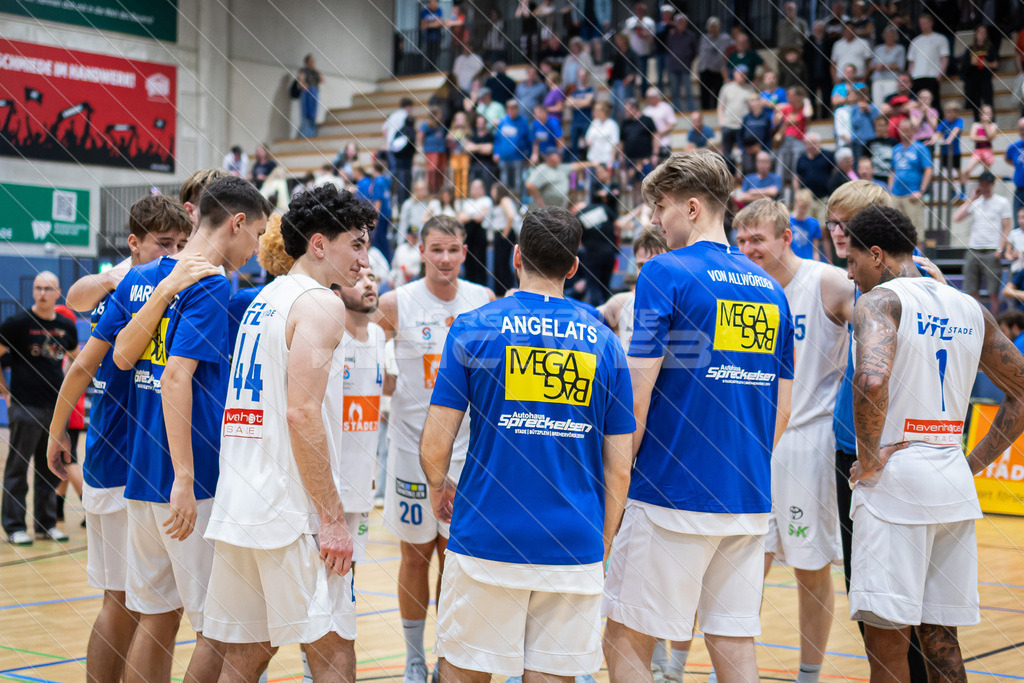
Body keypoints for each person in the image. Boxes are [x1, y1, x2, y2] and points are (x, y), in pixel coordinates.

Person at [602, 150, 794, 683]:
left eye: (660, 208)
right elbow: (783, 403)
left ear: (691, 207)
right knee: (732, 642)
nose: (655, 221)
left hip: (670, 494)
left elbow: (636, 396)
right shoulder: (771, 291)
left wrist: (614, 488)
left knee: (626, 636)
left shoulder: (665, 272)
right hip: (748, 498)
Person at [423, 206, 635, 683]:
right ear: (575, 266)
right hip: (573, 543)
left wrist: (440, 484)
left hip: (486, 536)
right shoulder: (605, 342)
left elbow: (436, 443)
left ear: (516, 257)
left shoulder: (474, 327)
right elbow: (619, 465)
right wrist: (600, 538)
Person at [89, 177, 271, 683]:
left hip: (140, 472)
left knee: (155, 615)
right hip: (189, 476)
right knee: (219, 629)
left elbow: (122, 358)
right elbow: (175, 377)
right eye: (255, 234)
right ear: (235, 223)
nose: (255, 248)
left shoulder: (142, 275)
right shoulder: (211, 282)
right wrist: (186, 477)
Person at [844, 204, 1024, 683]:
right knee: (941, 639)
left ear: (877, 254)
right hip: (952, 482)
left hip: (897, 486)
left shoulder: (879, 302)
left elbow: (872, 380)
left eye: (853, 261)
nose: (850, 273)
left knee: (886, 646)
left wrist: (868, 459)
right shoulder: (970, 307)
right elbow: (1022, 392)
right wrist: (974, 461)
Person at [200, 185, 371, 681]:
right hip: (291, 513)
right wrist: (333, 518)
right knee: (334, 648)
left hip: (242, 505)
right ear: (319, 244)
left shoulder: (262, 299)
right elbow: (301, 413)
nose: (364, 259)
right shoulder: (322, 303)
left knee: (246, 654)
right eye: (355, 244)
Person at [47, 197, 207, 682]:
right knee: (129, 603)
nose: (174, 254)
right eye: (164, 244)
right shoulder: (132, 282)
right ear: (134, 244)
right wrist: (56, 433)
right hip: (121, 461)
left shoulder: (169, 281)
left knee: (148, 605)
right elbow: (75, 309)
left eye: (182, 244)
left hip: (135, 464)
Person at [734, 199, 852, 683]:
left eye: (757, 239)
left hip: (808, 445)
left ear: (787, 237)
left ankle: (808, 673)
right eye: (740, 241)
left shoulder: (825, 281)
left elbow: (884, 314)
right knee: (741, 568)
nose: (747, 249)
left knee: (809, 568)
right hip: (754, 448)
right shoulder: (743, 291)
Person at [374, 217, 494, 683]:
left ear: (465, 252)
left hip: (465, 452)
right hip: (409, 448)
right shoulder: (395, 303)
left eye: (454, 250)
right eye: (437, 250)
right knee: (414, 555)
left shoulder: (482, 300)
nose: (445, 259)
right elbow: (366, 351)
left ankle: (448, 654)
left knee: (454, 557)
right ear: (420, 251)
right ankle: (413, 658)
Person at [0, 272, 78, 545]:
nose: (42, 293)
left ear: (58, 293)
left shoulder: (67, 326)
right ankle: (13, 527)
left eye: (48, 288)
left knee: (50, 466)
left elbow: (76, 361)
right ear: (32, 292)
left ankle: (46, 525)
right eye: (38, 288)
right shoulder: (16, 324)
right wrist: (5, 390)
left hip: (55, 407)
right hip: (25, 405)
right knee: (17, 467)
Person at [953, 171, 1013, 315]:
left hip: (992, 250)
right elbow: (957, 217)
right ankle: (976, 318)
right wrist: (972, 198)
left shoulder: (1002, 202)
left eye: (987, 184)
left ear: (992, 185)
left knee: (993, 291)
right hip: (974, 249)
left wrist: (1000, 248)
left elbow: (1007, 227)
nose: (984, 186)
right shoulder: (976, 202)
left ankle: (995, 321)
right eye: (982, 183)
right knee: (971, 289)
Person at [600, 229, 669, 350]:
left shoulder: (684, 307)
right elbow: (584, 317)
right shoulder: (621, 303)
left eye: (655, 264)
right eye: (641, 265)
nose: (646, 271)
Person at [889, 117, 932, 231]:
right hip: (896, 194)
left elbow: (928, 169)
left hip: (912, 194)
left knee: (915, 230)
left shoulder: (920, 148)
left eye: (907, 129)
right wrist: (890, 191)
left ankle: (918, 250)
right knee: (895, 229)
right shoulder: (896, 149)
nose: (904, 133)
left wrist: (921, 191)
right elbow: (893, 171)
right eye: (902, 129)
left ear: (913, 130)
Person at [457, 179, 494, 287]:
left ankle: (481, 288)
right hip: (468, 236)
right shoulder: (467, 202)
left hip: (480, 236)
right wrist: (472, 216)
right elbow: (460, 218)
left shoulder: (486, 200)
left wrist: (468, 216)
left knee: (479, 264)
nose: (476, 190)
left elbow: (479, 218)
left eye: (478, 188)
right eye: (474, 187)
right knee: (468, 263)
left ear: (482, 189)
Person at [484, 183, 519, 297]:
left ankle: (505, 290)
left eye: (494, 190)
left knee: (502, 263)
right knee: (498, 264)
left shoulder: (505, 200)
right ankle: (500, 291)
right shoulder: (497, 203)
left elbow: (511, 215)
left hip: (504, 233)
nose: (492, 193)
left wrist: (505, 232)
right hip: (499, 233)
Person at [717, 66, 753, 172]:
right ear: (734, 73)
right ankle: (729, 176)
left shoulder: (749, 89)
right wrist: (721, 123)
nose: (742, 75)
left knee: (743, 153)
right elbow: (720, 106)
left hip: (743, 126)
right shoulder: (726, 88)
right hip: (728, 125)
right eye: (740, 73)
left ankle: (742, 176)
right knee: (727, 154)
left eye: (744, 73)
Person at [794, 133, 835, 222]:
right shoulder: (801, 158)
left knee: (823, 226)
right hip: (807, 201)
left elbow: (835, 174)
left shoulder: (829, 156)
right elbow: (796, 177)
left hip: (824, 199)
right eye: (808, 144)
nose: (810, 146)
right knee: (808, 225)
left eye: (813, 143)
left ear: (819, 144)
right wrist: (798, 194)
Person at [493, 100, 531, 196]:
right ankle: (505, 200)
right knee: (504, 181)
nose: (512, 110)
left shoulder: (523, 122)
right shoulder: (503, 121)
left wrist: (528, 155)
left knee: (518, 182)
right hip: (504, 157)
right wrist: (496, 152)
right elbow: (497, 139)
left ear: (517, 109)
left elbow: (528, 140)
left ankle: (518, 203)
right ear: (507, 110)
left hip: (518, 157)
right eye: (510, 108)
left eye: (514, 108)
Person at [907, 14, 948, 102]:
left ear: (931, 23)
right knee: (916, 102)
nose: (923, 25)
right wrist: (910, 77)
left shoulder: (940, 38)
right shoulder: (915, 41)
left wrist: (940, 74)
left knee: (933, 102)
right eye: (921, 23)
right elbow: (911, 62)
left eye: (925, 22)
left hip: (932, 75)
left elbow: (944, 58)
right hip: (917, 76)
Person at [696, 17, 733, 111]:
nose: (713, 28)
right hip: (705, 70)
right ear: (708, 27)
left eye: (715, 26)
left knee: (718, 94)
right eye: (711, 26)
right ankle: (705, 112)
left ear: (719, 27)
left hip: (718, 71)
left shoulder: (725, 38)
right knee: (705, 95)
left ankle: (718, 112)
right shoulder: (703, 38)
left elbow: (734, 47)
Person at [665, 13, 698, 113]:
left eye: (683, 22)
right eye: (679, 22)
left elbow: (695, 52)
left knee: (688, 91)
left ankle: (690, 110)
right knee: (675, 92)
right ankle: (677, 111)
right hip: (673, 67)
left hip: (685, 67)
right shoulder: (671, 35)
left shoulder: (691, 35)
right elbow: (668, 49)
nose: (681, 24)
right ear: (675, 23)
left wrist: (688, 60)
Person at [624, 1, 656, 94]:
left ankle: (644, 95)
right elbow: (625, 36)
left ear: (645, 11)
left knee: (644, 75)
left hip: (644, 53)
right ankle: (631, 96)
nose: (639, 12)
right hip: (632, 54)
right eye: (638, 10)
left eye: (642, 10)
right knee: (631, 75)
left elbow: (653, 38)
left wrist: (644, 35)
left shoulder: (650, 22)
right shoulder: (629, 22)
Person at [871, 25, 906, 106]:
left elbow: (900, 66)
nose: (889, 37)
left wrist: (884, 67)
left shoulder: (900, 48)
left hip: (892, 79)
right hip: (878, 79)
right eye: (887, 35)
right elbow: (872, 65)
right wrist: (877, 66)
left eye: (891, 35)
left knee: (889, 102)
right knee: (877, 103)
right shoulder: (878, 49)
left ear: (895, 37)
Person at [566, 69, 596, 161]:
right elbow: (567, 103)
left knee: (588, 146)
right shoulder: (574, 91)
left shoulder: (591, 89)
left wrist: (575, 103)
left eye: (583, 76)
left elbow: (587, 102)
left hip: (586, 121)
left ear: (587, 77)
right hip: (575, 121)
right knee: (574, 147)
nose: (581, 78)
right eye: (580, 76)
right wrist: (582, 102)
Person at [964, 104, 998, 180]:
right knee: (967, 170)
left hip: (988, 150)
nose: (987, 115)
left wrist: (985, 124)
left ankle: (984, 190)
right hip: (978, 150)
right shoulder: (976, 125)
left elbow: (990, 136)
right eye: (985, 113)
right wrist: (987, 138)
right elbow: (972, 137)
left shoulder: (993, 125)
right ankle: (963, 189)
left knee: (986, 174)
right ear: (980, 115)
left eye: (989, 113)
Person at [790, 189, 826, 261]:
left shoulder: (814, 223)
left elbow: (815, 250)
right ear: (796, 203)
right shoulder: (787, 221)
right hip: (792, 261)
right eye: (801, 206)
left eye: (805, 207)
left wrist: (816, 264)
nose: (803, 210)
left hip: (808, 262)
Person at [643, 88, 676, 161]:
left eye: (649, 98)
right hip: (650, 145)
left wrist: (660, 133)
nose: (647, 100)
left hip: (664, 143)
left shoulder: (666, 107)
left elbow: (672, 124)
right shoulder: (646, 110)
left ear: (655, 97)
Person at [585, 102, 619, 169]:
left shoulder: (612, 124)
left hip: (606, 161)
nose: (594, 112)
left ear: (603, 112)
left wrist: (612, 161)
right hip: (593, 160)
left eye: (597, 111)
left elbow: (614, 144)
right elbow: (588, 139)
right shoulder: (594, 123)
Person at [297, 55, 324, 138]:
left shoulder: (315, 71)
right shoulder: (303, 71)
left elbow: (322, 80)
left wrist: (315, 69)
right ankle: (304, 134)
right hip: (307, 92)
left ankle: (312, 134)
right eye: (310, 61)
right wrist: (304, 86)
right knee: (306, 115)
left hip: (314, 92)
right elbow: (300, 82)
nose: (312, 63)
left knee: (313, 114)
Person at [1008, 118, 1024, 226]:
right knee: (1018, 224)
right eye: (1021, 129)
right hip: (1020, 190)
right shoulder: (1014, 147)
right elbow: (1008, 159)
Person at [420, 0, 445, 68]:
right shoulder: (424, 11)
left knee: (436, 53)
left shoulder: (439, 10)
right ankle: (429, 68)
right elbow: (423, 26)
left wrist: (428, 24)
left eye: (435, 3)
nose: (434, 4)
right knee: (429, 54)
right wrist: (434, 23)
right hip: (428, 37)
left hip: (437, 37)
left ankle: (434, 67)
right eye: (432, 2)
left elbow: (439, 23)